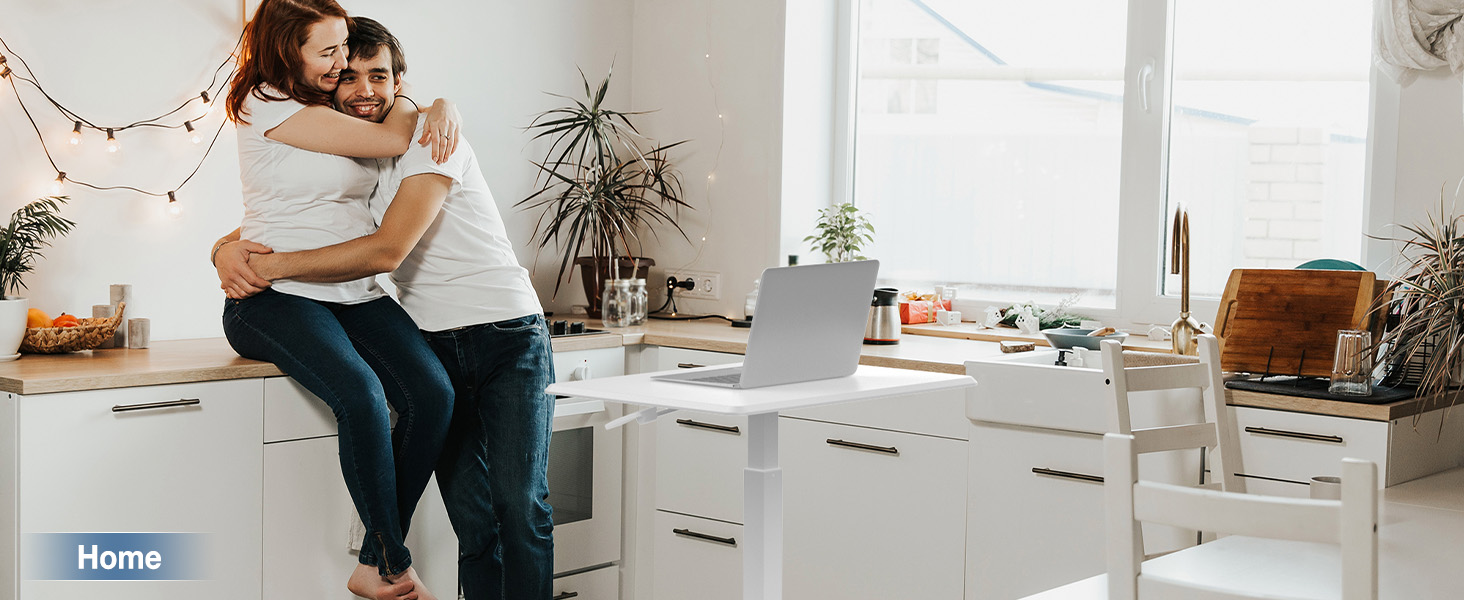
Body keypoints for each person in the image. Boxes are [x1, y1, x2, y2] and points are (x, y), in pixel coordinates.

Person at [217, 17, 557, 600]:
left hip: (504, 335)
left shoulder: (430, 140)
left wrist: (268, 269)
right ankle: (383, 561)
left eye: (380, 76)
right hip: (436, 339)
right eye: (347, 76)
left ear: (402, 82)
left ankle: (384, 559)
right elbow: (303, 214)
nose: (364, 90)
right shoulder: (360, 155)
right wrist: (225, 248)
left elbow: (384, 249)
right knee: (475, 524)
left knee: (519, 509)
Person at [215, 2, 461, 598]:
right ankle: (395, 567)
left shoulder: (327, 106)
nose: (342, 62)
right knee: (363, 395)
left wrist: (428, 102)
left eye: (344, 47)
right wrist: (437, 105)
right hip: (272, 296)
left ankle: (372, 560)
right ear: (285, 50)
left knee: (433, 395)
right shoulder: (266, 103)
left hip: (352, 292)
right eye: (329, 52)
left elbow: (308, 202)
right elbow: (396, 134)